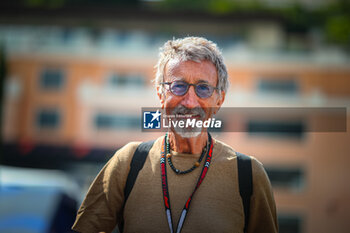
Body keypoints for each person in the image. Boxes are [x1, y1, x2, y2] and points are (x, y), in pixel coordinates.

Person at [72, 37, 278, 233]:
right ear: (161, 94)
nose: (189, 102)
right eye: (178, 86)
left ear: (219, 100)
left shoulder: (249, 174)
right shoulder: (128, 163)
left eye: (203, 88)